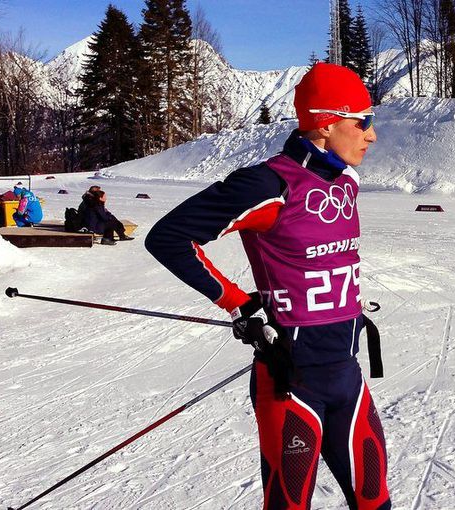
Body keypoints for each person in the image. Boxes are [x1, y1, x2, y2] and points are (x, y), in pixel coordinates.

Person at [145, 63, 390, 509]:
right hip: (290, 382)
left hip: (347, 374)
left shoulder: (346, 181)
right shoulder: (269, 183)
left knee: (375, 502)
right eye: (363, 122)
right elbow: (170, 238)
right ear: (326, 123)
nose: (372, 135)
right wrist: (239, 303)